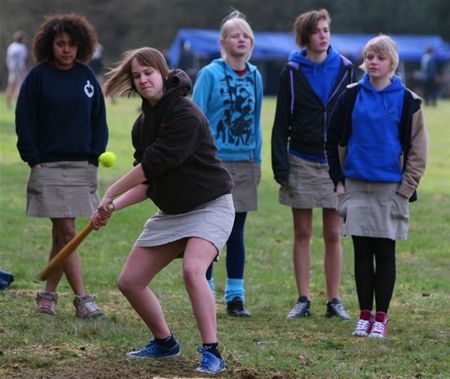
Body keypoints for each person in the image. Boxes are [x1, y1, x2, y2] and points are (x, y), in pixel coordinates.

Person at [91, 47, 234, 374]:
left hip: (210, 205)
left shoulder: (186, 115)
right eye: (137, 76)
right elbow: (149, 181)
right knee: (130, 281)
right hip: (173, 212)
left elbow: (152, 164)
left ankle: (212, 352)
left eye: (148, 73)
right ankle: (165, 343)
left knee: (193, 270)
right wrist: (112, 207)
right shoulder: (142, 126)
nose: (143, 80)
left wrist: (111, 191)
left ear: (163, 73)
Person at [326, 35, 428, 338]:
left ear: (392, 62)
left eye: (379, 57)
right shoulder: (351, 95)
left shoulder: (408, 100)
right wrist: (339, 183)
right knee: (361, 252)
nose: (373, 62)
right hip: (356, 185)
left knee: (385, 252)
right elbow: (332, 140)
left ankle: (380, 318)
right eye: (369, 56)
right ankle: (363, 315)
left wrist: (405, 190)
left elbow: (418, 150)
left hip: (391, 189)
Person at [15, 14, 108, 318]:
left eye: (71, 44)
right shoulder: (38, 77)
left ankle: (48, 296)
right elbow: (24, 119)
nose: (66, 49)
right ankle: (83, 299)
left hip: (82, 165)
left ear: (81, 45)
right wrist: (33, 158)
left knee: (61, 234)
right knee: (67, 230)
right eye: (60, 44)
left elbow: (98, 119)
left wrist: (95, 155)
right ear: (49, 45)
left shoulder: (86, 76)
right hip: (48, 166)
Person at [271, 9, 354, 320]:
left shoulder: (346, 68)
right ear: (305, 36)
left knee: (334, 234)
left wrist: (350, 163)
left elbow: (352, 119)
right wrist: (281, 167)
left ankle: (334, 301)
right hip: (300, 160)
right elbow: (280, 123)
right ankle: (303, 299)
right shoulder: (291, 71)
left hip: (334, 164)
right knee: (302, 232)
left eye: (327, 30)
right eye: (318, 30)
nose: (324, 35)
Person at [192, 10, 263, 317]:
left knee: (237, 231)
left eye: (246, 35)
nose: (242, 39)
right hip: (214, 163)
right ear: (223, 42)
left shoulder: (256, 76)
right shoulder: (209, 74)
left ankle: (235, 296)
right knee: (210, 230)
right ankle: (205, 288)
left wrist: (257, 159)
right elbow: (195, 117)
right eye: (235, 35)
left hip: (245, 162)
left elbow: (258, 120)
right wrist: (197, 159)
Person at [5, 30, 28, 108]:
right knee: (19, 86)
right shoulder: (22, 48)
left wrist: (9, 68)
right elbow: (22, 61)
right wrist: (24, 71)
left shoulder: (11, 46)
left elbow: (8, 59)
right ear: (21, 39)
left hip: (12, 68)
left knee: (10, 86)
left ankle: (8, 104)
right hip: (19, 69)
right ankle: (18, 104)